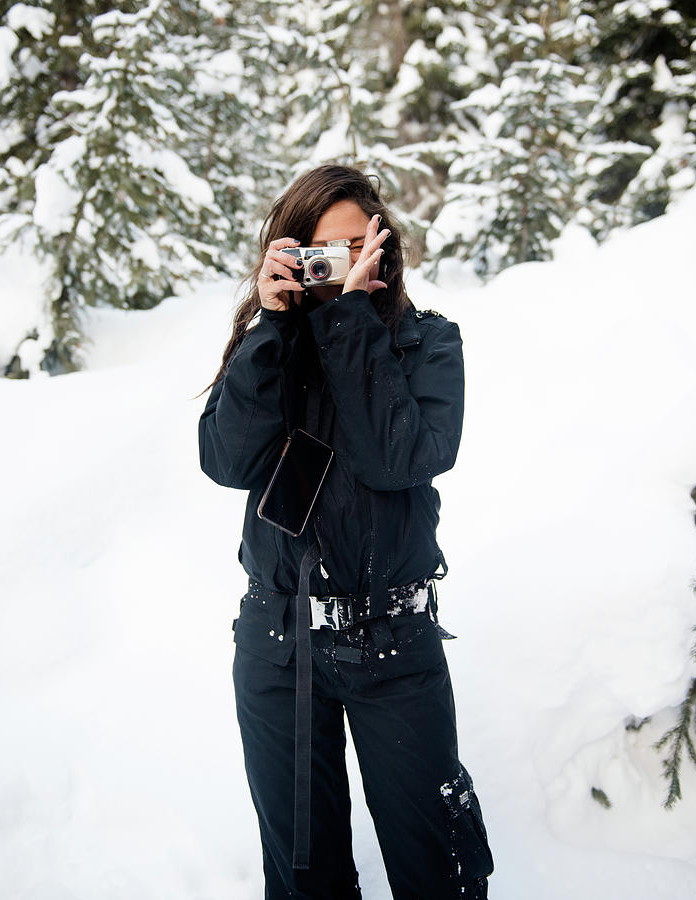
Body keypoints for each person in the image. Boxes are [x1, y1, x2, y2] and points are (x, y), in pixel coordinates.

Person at [197, 164, 494, 899]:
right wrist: (272, 326)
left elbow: (403, 460)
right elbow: (225, 461)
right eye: (323, 251)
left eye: (359, 244)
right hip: (277, 639)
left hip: (392, 639)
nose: (343, 263)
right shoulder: (271, 344)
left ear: (384, 247)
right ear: (291, 254)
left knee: (438, 867)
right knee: (304, 874)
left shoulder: (427, 343)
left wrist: (350, 318)